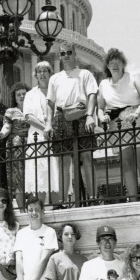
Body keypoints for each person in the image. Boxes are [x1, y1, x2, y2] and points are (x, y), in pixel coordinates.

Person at [44, 41, 97, 204]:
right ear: (59, 56)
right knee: (63, 160)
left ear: (74, 55)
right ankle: (63, 200)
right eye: (62, 53)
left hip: (81, 114)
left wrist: (90, 115)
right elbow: (50, 103)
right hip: (61, 117)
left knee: (87, 156)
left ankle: (93, 196)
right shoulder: (55, 78)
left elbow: (92, 95)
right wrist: (48, 123)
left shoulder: (85, 74)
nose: (66, 56)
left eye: (68, 53)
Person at [97, 48, 140, 201]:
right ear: (107, 66)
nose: (115, 65)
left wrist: (137, 113)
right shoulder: (103, 84)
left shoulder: (134, 76)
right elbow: (100, 109)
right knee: (127, 163)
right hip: (118, 124)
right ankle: (133, 198)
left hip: (138, 118)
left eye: (118, 62)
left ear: (123, 64)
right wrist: (103, 118)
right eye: (112, 63)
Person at [24, 60, 58, 205]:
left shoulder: (57, 91)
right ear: (35, 75)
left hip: (55, 136)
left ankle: (59, 205)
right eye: (39, 71)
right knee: (40, 175)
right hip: (38, 136)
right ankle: (41, 206)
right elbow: (28, 116)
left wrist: (52, 127)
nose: (42, 74)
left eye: (45, 71)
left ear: (50, 73)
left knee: (56, 172)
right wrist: (46, 127)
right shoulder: (30, 94)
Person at [0, 82, 30, 212]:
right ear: (15, 97)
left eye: (24, 94)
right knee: (19, 178)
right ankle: (22, 210)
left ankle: (33, 207)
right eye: (19, 95)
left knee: (32, 176)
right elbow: (7, 126)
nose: (22, 96)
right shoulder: (11, 111)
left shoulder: (33, 109)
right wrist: (1, 134)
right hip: (16, 146)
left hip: (32, 145)